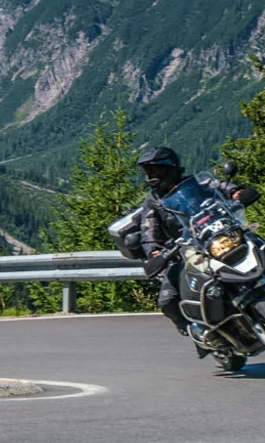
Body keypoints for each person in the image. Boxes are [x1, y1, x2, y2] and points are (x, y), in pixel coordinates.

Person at [109, 145, 256, 338]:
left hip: (215, 234)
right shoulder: (153, 202)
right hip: (185, 250)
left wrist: (236, 192)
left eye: (156, 170)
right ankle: (194, 329)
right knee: (167, 298)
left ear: (170, 168)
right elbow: (148, 229)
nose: (152, 176)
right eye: (149, 171)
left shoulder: (196, 183)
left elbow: (219, 187)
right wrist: (154, 251)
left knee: (255, 242)